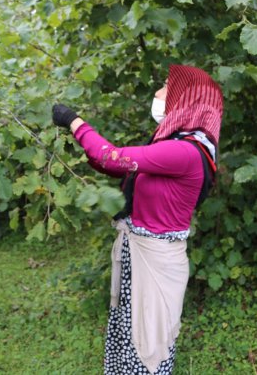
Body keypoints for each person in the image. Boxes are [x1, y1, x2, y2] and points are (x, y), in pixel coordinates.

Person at [51, 64, 224, 374]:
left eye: (165, 87)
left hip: (154, 261)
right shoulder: (175, 147)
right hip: (142, 253)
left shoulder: (184, 152)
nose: (158, 93)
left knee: (146, 345)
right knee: (131, 335)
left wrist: (73, 121)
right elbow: (113, 165)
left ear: (184, 99)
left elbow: (110, 156)